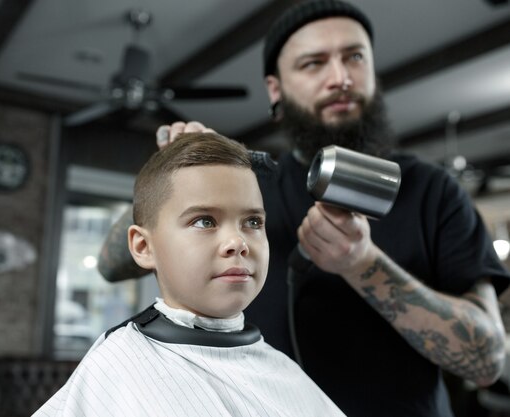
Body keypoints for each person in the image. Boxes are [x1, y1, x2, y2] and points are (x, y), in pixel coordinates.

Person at [97, 1, 510, 416]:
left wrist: (363, 263)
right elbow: (112, 265)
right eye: (314, 63)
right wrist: (176, 178)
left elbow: (488, 362)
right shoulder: (251, 189)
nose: (340, 78)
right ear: (276, 90)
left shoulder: (432, 191)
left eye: (354, 57)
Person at [34, 132, 346, 417]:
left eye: (252, 222)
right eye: (204, 222)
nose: (238, 243)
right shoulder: (116, 366)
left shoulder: (282, 371)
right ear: (143, 246)